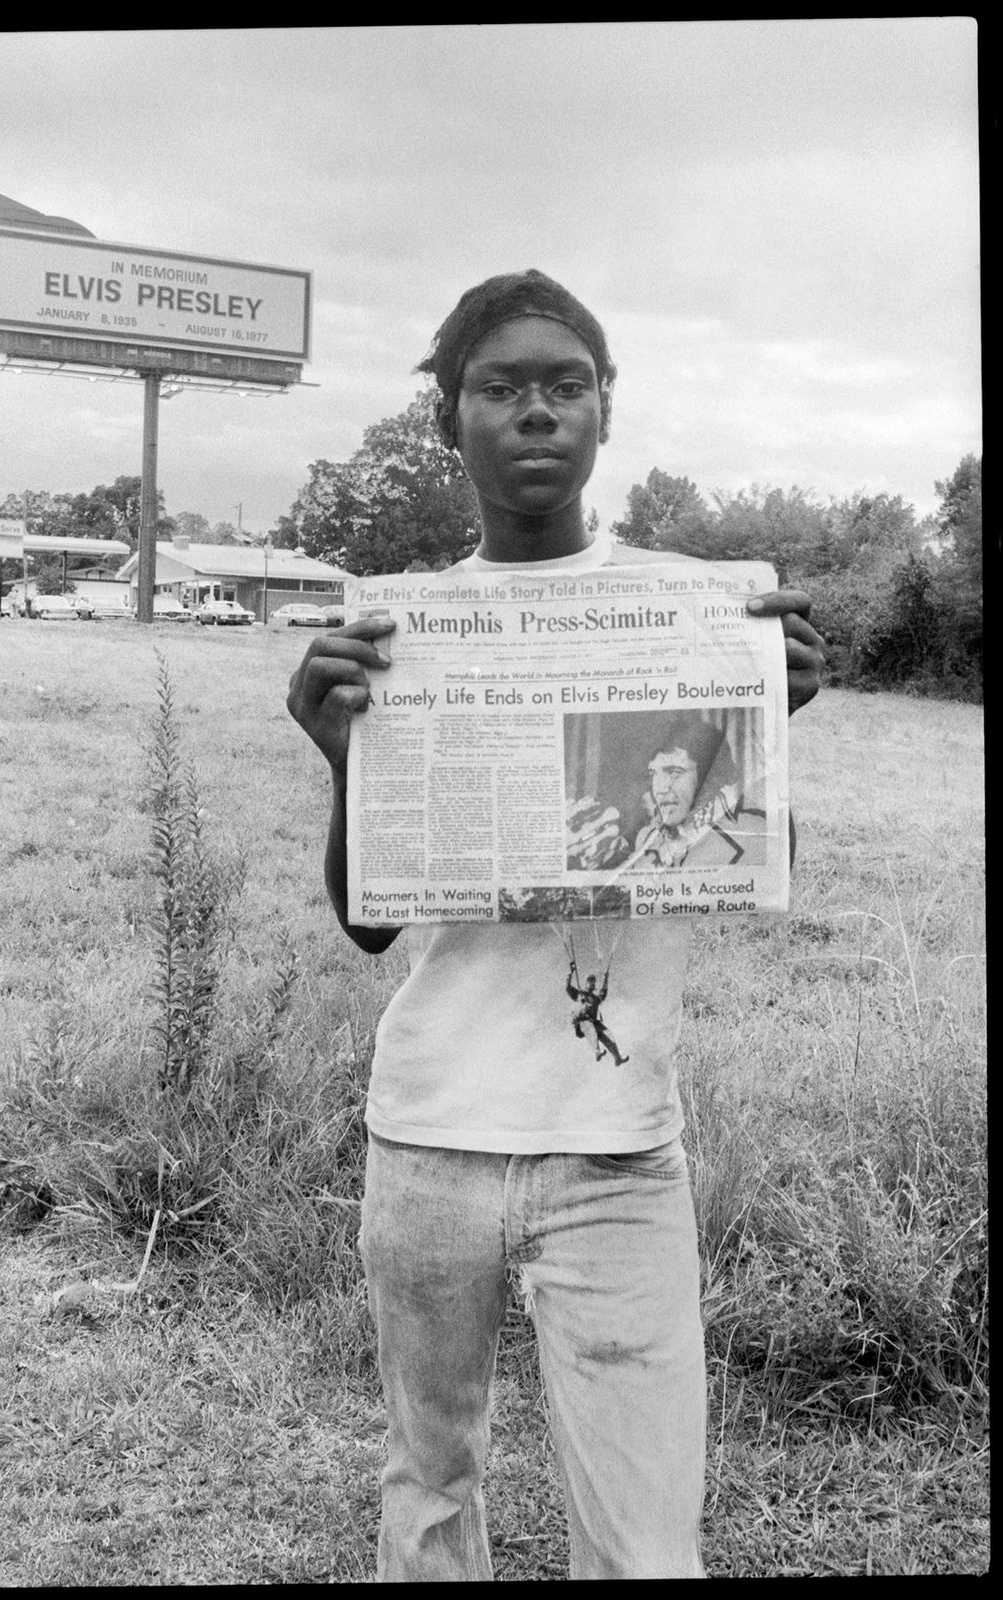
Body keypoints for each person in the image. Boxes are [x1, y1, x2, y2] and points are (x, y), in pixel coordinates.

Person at [286, 268, 825, 1580]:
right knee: (428, 1488)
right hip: (429, 1145)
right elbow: (369, 930)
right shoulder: (400, 634)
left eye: (564, 385)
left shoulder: (690, 616)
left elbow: (753, 868)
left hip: (619, 1148)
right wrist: (338, 751)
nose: (536, 412)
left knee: (647, 1547)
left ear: (604, 413)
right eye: (501, 387)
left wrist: (764, 722)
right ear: (449, 421)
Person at [568, 715, 769, 872]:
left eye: (674, 772)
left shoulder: (756, 833)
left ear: (709, 778)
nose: (661, 787)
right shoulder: (646, 839)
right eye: (653, 773)